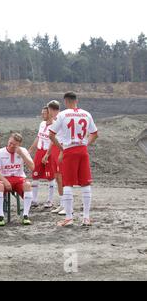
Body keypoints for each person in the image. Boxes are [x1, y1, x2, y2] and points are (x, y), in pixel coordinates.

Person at [49, 92, 98, 227]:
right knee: (85, 184)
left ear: (66, 101)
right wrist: (85, 144)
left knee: (68, 184)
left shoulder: (63, 115)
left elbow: (51, 135)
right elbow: (95, 134)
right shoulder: (86, 114)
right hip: (82, 150)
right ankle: (86, 218)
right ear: (77, 100)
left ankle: (69, 218)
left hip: (69, 150)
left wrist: (61, 148)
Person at [0, 133, 35, 226]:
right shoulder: (0, 152)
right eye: (10, 143)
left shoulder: (23, 151)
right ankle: (1, 215)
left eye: (14, 145)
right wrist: (5, 181)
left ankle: (25, 215)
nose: (11, 146)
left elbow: (32, 167)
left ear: (19, 145)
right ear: (8, 140)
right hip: (5, 178)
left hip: (19, 178)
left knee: (27, 185)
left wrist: (22, 155)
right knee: (0, 186)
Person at [28, 106, 55, 208]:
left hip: (49, 152)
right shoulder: (42, 124)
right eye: (42, 113)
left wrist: (47, 154)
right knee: (35, 174)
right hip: (39, 151)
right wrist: (30, 150)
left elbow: (53, 142)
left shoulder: (54, 125)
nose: (42, 115)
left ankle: (50, 200)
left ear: (50, 114)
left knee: (50, 176)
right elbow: (38, 137)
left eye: (44, 113)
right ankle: (34, 200)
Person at [46, 100, 66, 215]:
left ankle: (66, 205)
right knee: (57, 178)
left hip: (60, 148)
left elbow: (60, 137)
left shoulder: (60, 118)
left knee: (61, 178)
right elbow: (52, 139)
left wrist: (62, 151)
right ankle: (62, 204)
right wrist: (48, 153)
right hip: (55, 149)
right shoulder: (55, 120)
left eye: (48, 110)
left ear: (52, 110)